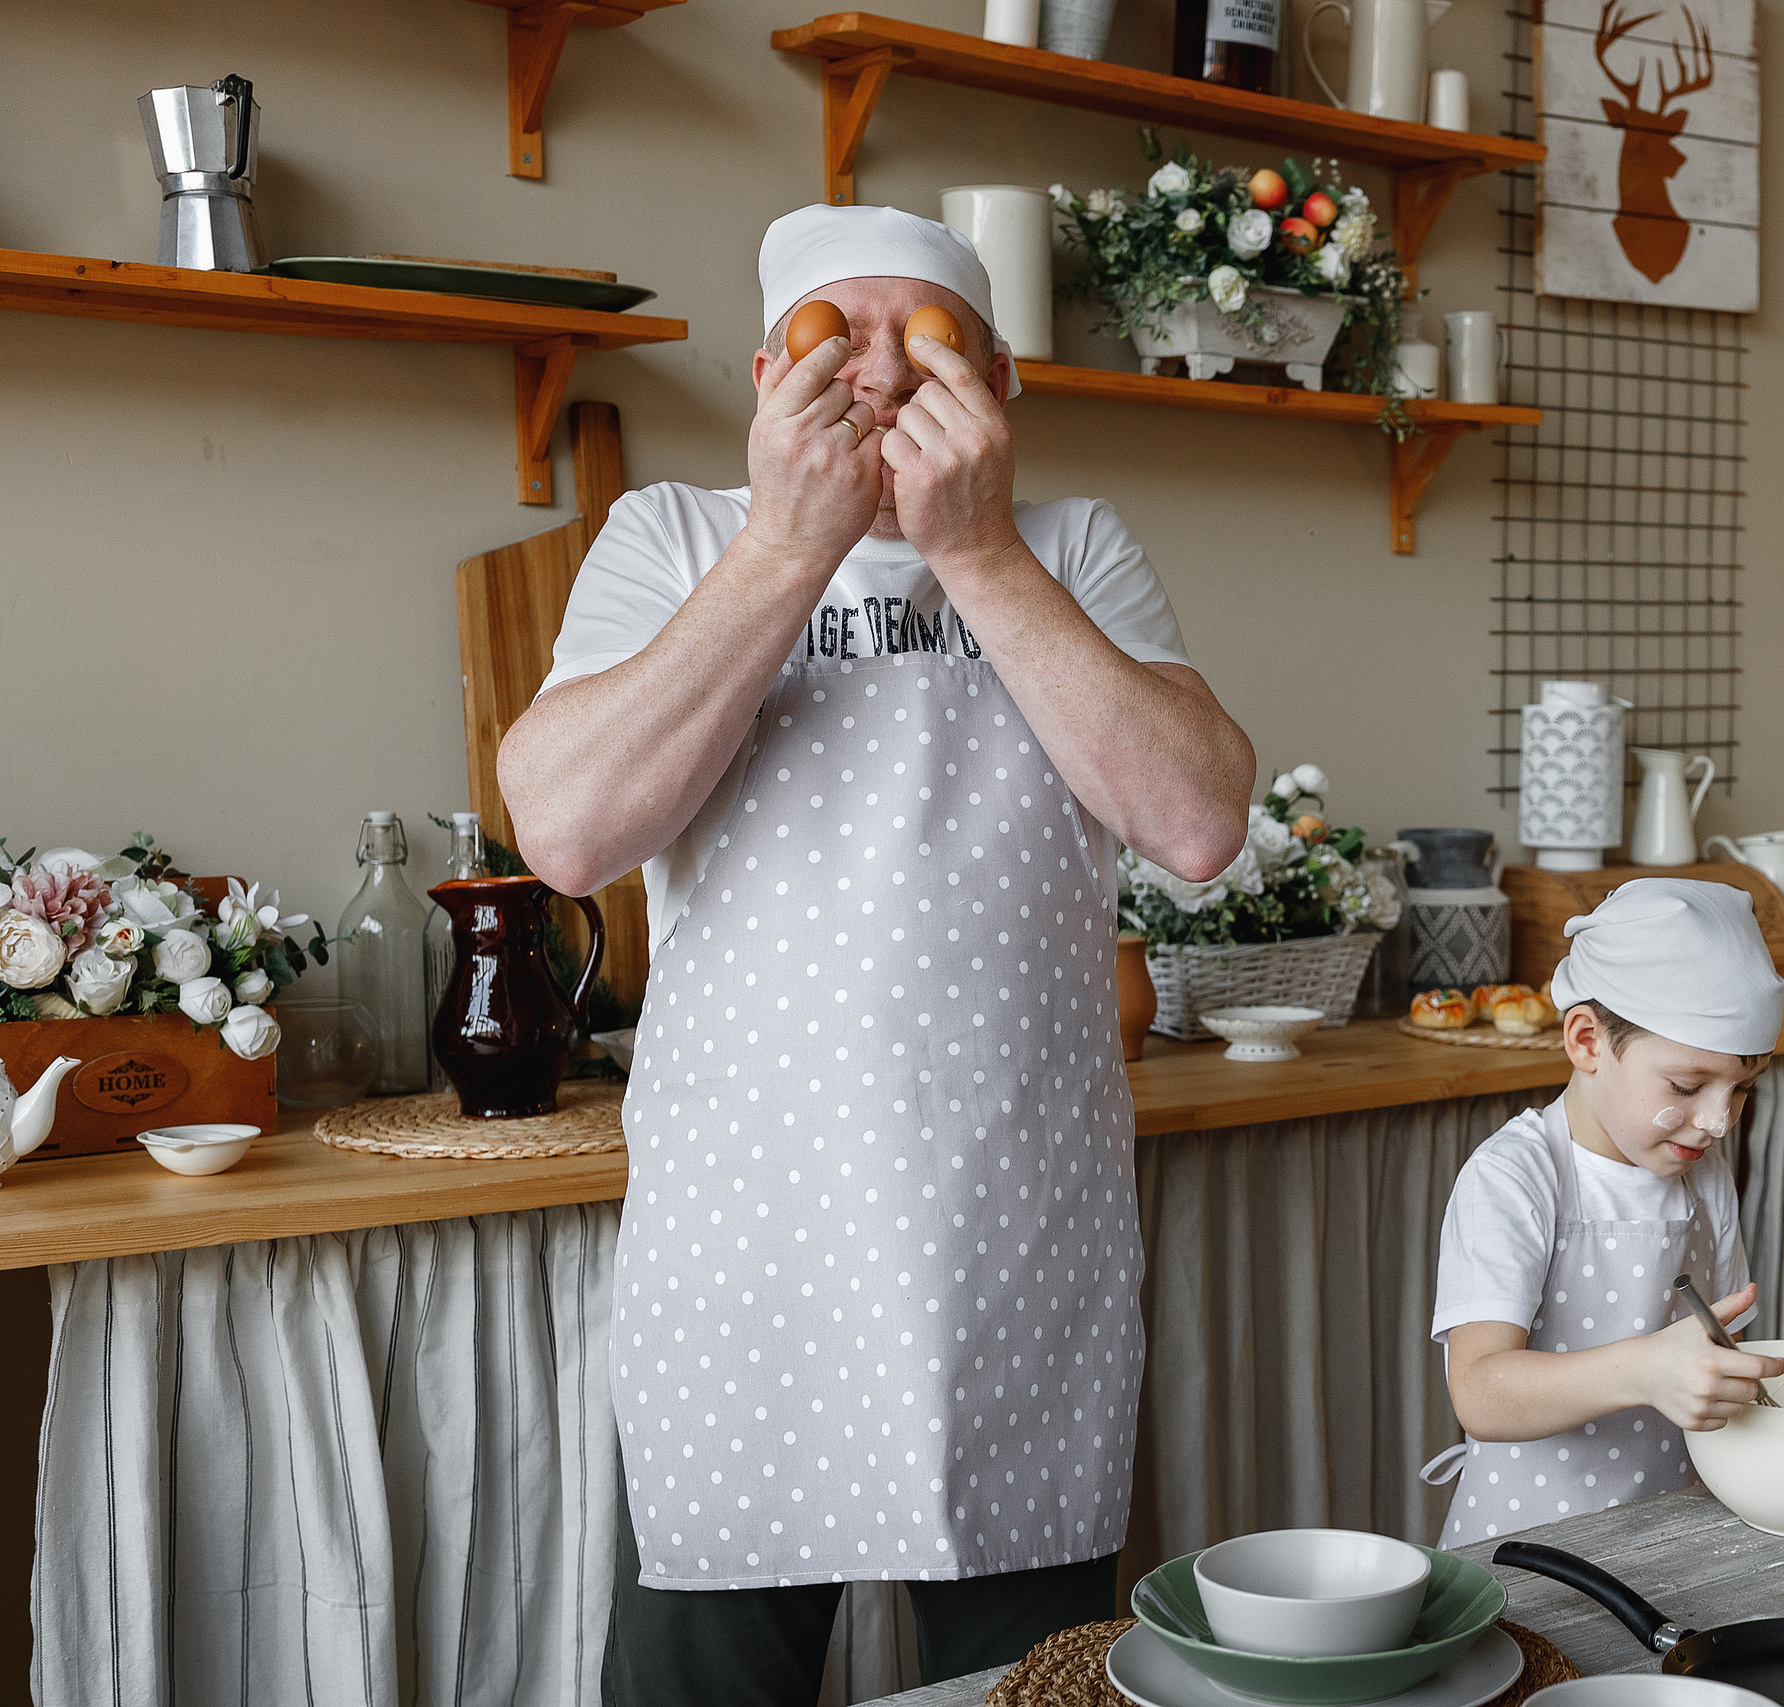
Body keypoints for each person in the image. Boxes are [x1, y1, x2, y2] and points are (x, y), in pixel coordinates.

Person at [497, 204, 1257, 1706]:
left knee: (1036, 1683)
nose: (881, 376)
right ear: (769, 371)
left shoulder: (1075, 546)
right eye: (834, 337)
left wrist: (976, 550)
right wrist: (790, 540)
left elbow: (1195, 821)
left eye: (929, 338)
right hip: (744, 1249)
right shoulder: (672, 537)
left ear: (1003, 381)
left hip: (1015, 1232)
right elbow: (570, 834)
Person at [1425, 879, 1784, 1542]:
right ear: (1587, 1040)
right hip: (1526, 1559)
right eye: (1686, 1085)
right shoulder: (1514, 1178)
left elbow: (1707, 1358)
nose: (1717, 1119)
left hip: (1668, 1545)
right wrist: (1646, 1370)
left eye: (1742, 1088)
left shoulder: (1703, 1178)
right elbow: (1480, 1390)